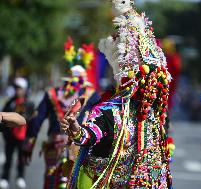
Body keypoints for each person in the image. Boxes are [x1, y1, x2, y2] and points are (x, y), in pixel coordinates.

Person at [61, 0, 172, 188]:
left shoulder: (152, 117)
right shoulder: (113, 111)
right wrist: (77, 131)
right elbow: (88, 134)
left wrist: (78, 132)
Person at [22, 39, 100, 189]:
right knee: (74, 182)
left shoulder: (52, 94)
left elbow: (36, 121)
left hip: (54, 146)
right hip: (78, 148)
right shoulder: (92, 95)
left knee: (51, 180)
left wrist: (28, 146)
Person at [0, 77, 34, 189]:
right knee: (8, 159)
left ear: (24, 89)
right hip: (11, 136)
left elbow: (33, 120)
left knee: (21, 159)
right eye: (16, 88)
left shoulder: (29, 103)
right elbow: (3, 118)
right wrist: (5, 134)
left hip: (23, 137)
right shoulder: (10, 102)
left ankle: (20, 177)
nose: (17, 90)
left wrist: (30, 137)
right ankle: (5, 178)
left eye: (19, 88)